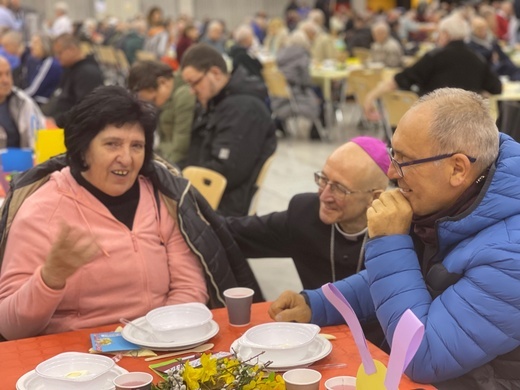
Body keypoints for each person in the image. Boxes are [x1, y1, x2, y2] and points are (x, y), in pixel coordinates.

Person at [269, 88, 520, 389]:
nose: (391, 171)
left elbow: (421, 356)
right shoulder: (457, 201)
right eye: (393, 154)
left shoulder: (511, 254)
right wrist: (316, 304)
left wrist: (389, 240)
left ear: (457, 168)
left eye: (405, 161)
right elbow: (407, 278)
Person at [0, 85, 263, 341]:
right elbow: (10, 327)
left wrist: (159, 337)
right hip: (76, 360)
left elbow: (189, 287)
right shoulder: (42, 209)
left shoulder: (162, 198)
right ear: (82, 149)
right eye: (112, 144)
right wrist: (50, 278)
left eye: (136, 146)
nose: (126, 158)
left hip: (160, 346)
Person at [226, 136, 390, 290]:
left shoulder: (399, 233)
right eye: (323, 179)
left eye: (340, 189)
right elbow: (235, 234)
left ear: (374, 197)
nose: (324, 196)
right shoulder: (304, 214)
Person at [180, 43, 277, 217]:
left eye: (194, 83)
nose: (192, 91)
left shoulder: (243, 109)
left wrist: (180, 183)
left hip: (223, 209)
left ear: (215, 73)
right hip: (207, 197)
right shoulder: (217, 102)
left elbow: (227, 171)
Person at [364, 14, 502, 119]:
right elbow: (496, 87)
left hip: (433, 124)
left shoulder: (434, 57)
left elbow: (401, 79)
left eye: (439, 33)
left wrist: (371, 96)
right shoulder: (477, 58)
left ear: (446, 34)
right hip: (468, 127)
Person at [128, 60, 196, 166]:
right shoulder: (169, 98)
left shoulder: (183, 96)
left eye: (153, 100)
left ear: (162, 82)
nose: (154, 105)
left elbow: (180, 147)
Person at [42, 33, 104, 127]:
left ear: (72, 49)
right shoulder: (69, 68)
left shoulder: (87, 73)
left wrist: (57, 121)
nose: (58, 57)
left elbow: (85, 111)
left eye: (60, 53)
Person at [0, 55, 44, 148]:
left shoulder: (23, 101)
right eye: (0, 75)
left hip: (21, 160)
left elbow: (39, 136)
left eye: (8, 74)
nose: (6, 80)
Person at [23, 32, 62, 105]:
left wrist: (15, 97)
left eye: (35, 43)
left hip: (44, 105)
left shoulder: (51, 63)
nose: (31, 46)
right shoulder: (38, 62)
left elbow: (33, 90)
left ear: (45, 45)